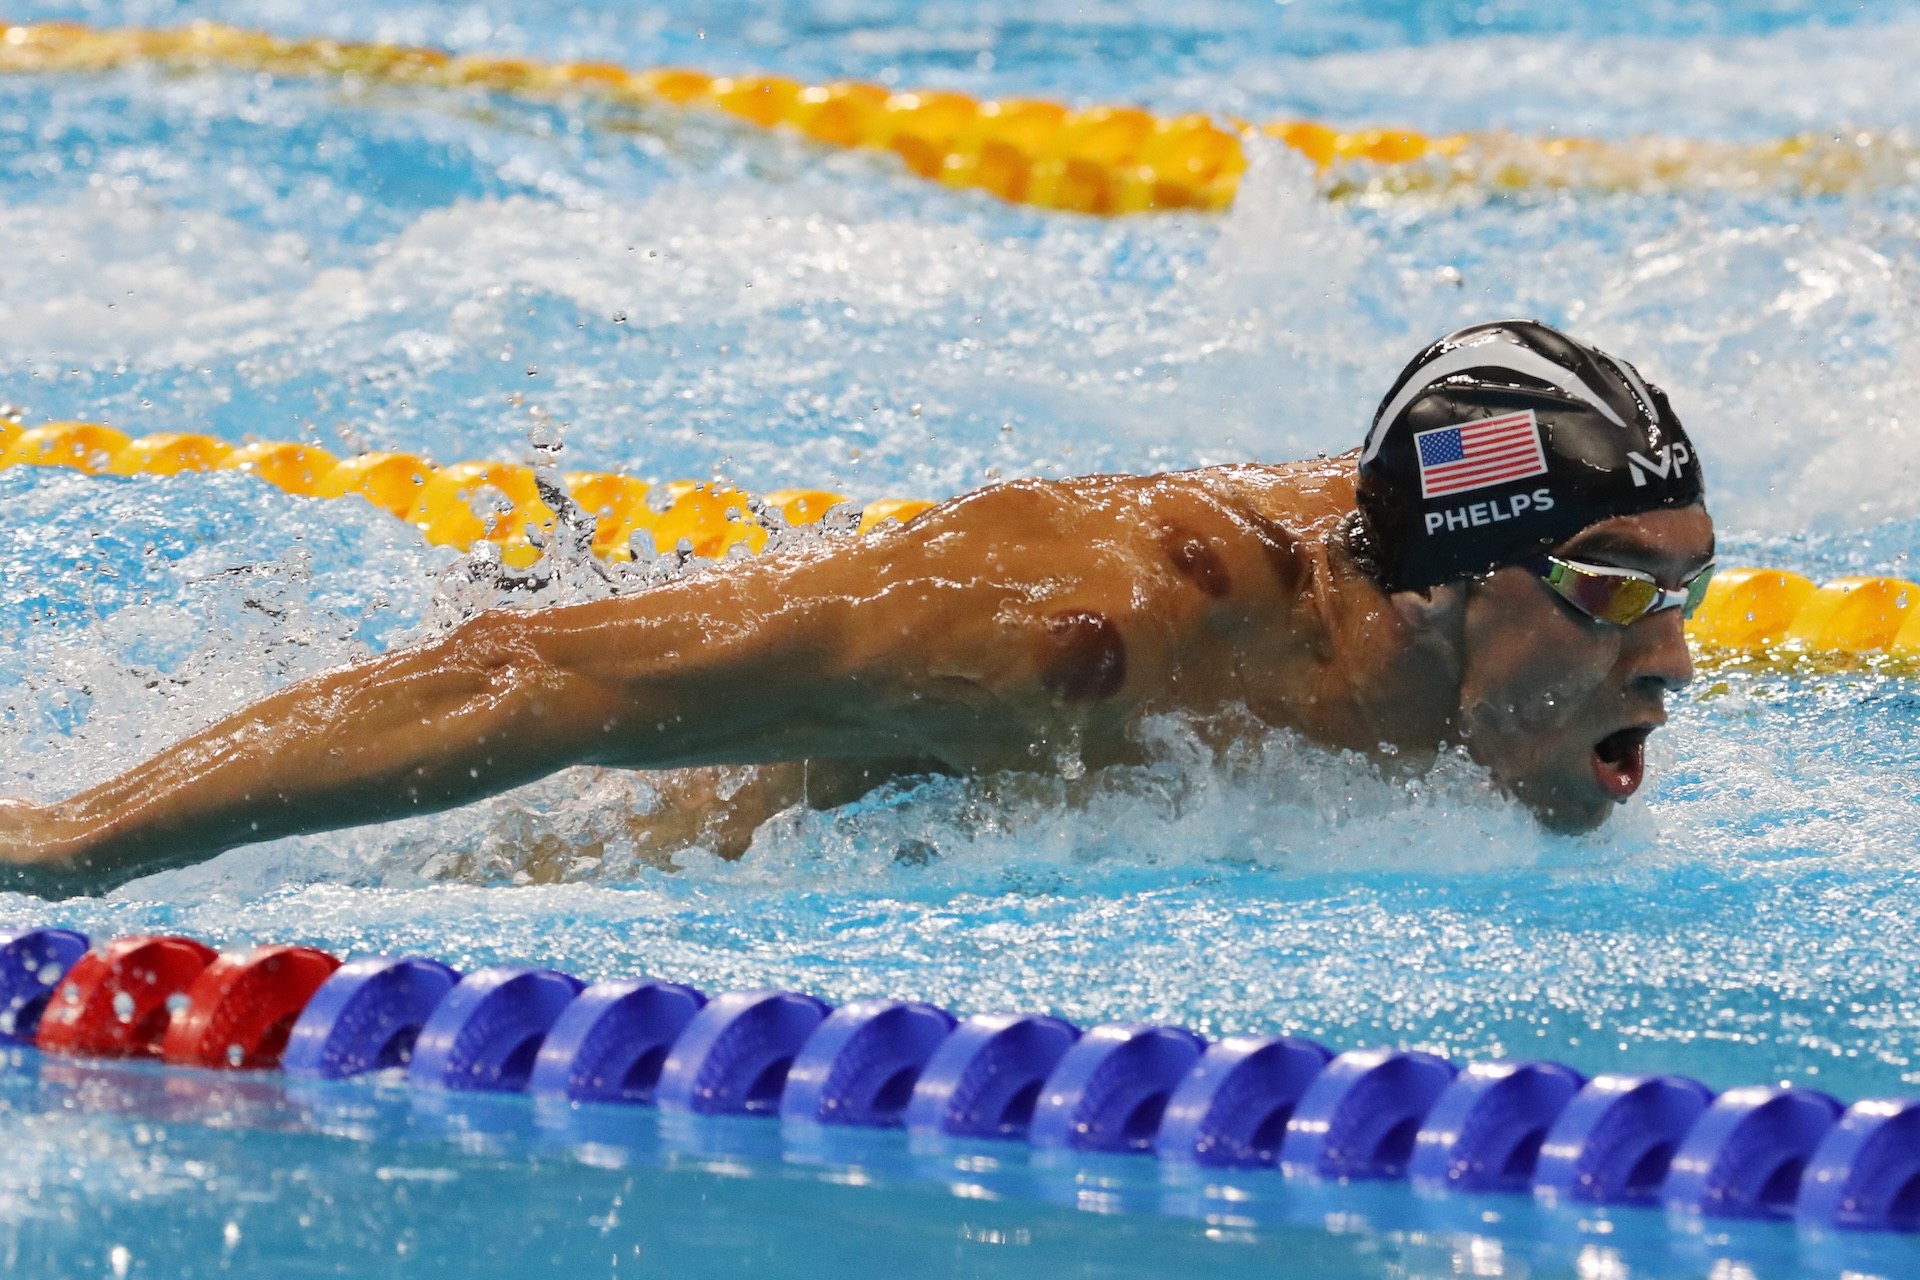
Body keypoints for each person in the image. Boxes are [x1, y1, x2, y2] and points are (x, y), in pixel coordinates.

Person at [0, 320, 1714, 898]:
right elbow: (535, 674)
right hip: (620, 864)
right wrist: (79, 841)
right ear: (1452, 585)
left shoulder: (1433, 580)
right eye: (1618, 594)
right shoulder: (1080, 632)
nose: (1676, 661)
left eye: (1686, 591)